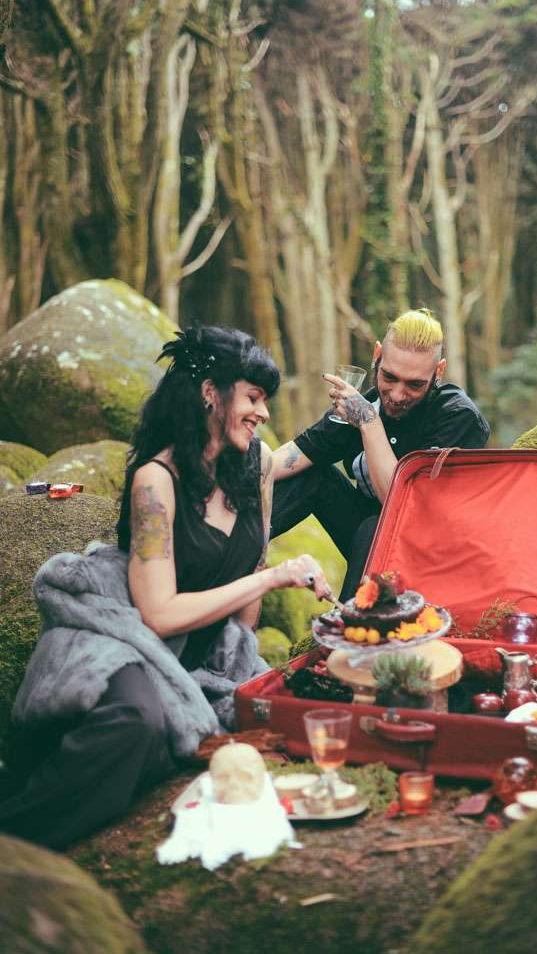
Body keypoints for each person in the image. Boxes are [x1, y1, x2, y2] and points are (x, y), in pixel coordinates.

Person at [0, 324, 329, 850]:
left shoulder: (258, 466)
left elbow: (247, 598)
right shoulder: (156, 480)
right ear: (210, 393)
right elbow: (158, 614)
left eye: (265, 400)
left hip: (196, 650)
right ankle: (20, 838)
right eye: (252, 397)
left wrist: (236, 664)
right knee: (136, 723)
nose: (264, 412)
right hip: (122, 634)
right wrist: (272, 578)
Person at [271, 308, 490, 600]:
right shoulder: (368, 403)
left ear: (438, 372)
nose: (397, 395)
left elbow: (403, 509)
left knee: (375, 527)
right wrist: (226, 475)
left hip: (431, 555)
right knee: (312, 475)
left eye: (414, 384)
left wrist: (369, 423)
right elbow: (294, 455)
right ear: (377, 356)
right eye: (389, 377)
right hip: (366, 541)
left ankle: (353, 620)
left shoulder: (457, 416)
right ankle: (228, 557)